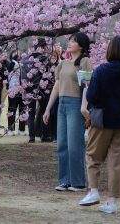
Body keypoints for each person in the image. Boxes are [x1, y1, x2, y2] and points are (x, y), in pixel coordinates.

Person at [78, 36, 120, 214]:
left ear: (109, 50)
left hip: (101, 120)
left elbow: (93, 96)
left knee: (93, 156)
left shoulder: (101, 70)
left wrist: (88, 86)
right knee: (117, 162)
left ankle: (94, 191)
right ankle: (112, 202)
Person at [43, 33, 93, 192]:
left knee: (74, 145)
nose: (69, 43)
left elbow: (87, 85)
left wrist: (83, 107)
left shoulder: (84, 61)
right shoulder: (63, 63)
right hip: (62, 105)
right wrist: (48, 108)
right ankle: (64, 180)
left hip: (75, 104)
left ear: (81, 46)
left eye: (74, 41)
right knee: (62, 144)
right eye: (70, 40)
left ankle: (78, 182)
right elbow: (56, 87)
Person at [20, 38, 51, 143]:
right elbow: (48, 75)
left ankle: (31, 137)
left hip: (28, 89)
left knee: (30, 112)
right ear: (42, 47)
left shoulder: (24, 60)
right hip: (41, 89)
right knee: (45, 111)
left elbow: (22, 77)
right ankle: (44, 135)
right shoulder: (44, 59)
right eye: (46, 46)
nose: (47, 48)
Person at [6, 50, 25, 136]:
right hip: (13, 89)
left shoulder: (22, 63)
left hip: (22, 89)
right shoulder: (11, 63)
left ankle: (21, 129)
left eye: (19, 52)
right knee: (12, 109)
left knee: (22, 109)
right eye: (15, 52)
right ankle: (10, 129)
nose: (18, 54)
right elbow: (9, 69)